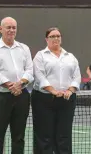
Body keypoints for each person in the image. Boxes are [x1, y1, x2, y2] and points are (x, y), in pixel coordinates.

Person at [32, 27, 81, 154]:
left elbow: (77, 76)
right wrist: (53, 91)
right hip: (44, 101)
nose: (56, 38)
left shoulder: (70, 57)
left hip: (66, 100)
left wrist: (70, 90)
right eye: (52, 36)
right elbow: (39, 76)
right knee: (44, 135)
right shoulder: (40, 56)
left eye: (58, 36)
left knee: (64, 135)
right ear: (46, 39)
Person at [0, 17, 33, 154]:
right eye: (8, 27)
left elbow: (30, 70)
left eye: (14, 27)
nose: (11, 30)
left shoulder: (24, 48)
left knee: (19, 136)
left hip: (22, 97)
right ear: (1, 29)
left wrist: (20, 84)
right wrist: (9, 85)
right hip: (2, 96)